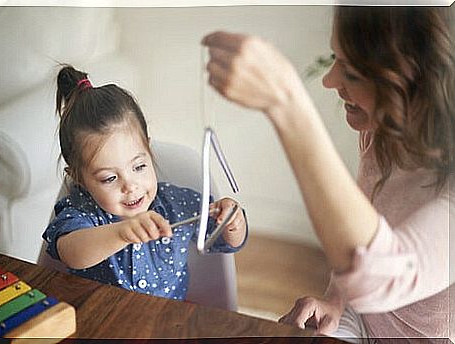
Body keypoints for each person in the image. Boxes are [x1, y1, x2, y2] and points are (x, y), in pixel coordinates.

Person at [202, 6, 454, 342]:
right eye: (336, 58)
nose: (329, 80)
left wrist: (286, 102)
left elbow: (380, 276)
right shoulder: (382, 134)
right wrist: (336, 301)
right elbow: (362, 230)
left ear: (414, 83)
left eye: (351, 72)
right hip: (364, 324)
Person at [42, 65, 248, 301]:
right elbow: (72, 253)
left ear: (149, 150)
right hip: (98, 322)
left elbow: (224, 240)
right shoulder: (80, 213)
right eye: (109, 178)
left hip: (165, 323)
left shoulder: (176, 204)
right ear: (78, 178)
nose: (130, 186)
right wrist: (122, 233)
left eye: (139, 167)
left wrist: (233, 223)